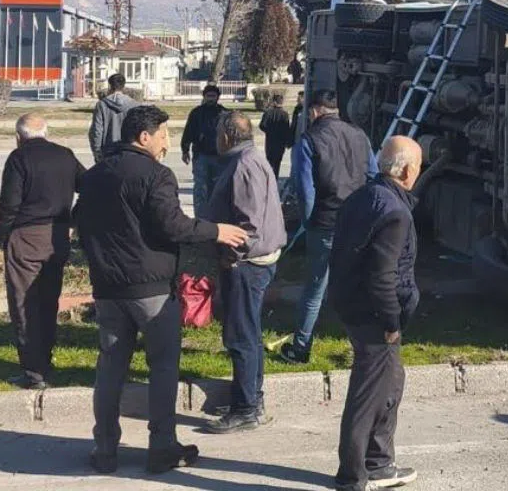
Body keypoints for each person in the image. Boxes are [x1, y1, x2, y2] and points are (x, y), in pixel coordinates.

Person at [76, 105, 248, 475]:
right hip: (151, 289)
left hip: (108, 288)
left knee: (110, 369)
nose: (168, 143)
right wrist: (216, 231)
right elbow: (174, 226)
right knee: (164, 366)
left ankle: (104, 449)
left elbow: (80, 225)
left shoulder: (94, 175)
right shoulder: (156, 175)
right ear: (144, 137)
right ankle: (162, 446)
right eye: (164, 135)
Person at [330, 136, 423, 491]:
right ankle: (353, 476)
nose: (418, 172)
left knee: (391, 383)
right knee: (368, 395)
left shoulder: (362, 197)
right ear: (406, 170)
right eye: (418, 166)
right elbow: (382, 276)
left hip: (354, 305)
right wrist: (391, 323)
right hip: (373, 317)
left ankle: (380, 464)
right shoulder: (395, 212)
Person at [201, 111, 287, 434]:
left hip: (246, 264)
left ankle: (246, 409)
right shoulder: (248, 159)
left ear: (226, 136)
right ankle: (249, 398)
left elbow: (249, 226)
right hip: (252, 262)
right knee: (248, 333)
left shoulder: (244, 165)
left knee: (241, 337)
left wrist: (231, 256)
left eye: (217, 135)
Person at [0, 113, 86, 390]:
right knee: (48, 301)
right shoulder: (65, 155)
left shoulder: (18, 158)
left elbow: (9, 205)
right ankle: (45, 361)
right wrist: (73, 219)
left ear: (18, 137)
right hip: (57, 236)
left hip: (27, 237)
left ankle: (34, 370)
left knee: (24, 304)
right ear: (46, 132)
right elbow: (90, 186)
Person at [281, 89, 378, 364]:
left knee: (315, 288)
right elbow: (373, 176)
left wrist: (307, 222)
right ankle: (364, 349)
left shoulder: (309, 140)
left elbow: (305, 189)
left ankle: (301, 347)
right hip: (357, 222)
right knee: (356, 286)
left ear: (314, 111)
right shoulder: (359, 135)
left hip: (325, 222)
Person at [181, 84, 228, 216]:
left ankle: (217, 216)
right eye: (208, 96)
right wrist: (185, 150)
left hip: (220, 156)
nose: (211, 99)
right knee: (201, 188)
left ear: (218, 97)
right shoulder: (196, 113)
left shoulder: (224, 113)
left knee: (218, 188)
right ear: (204, 97)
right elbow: (188, 132)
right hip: (201, 155)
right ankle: (200, 217)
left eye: (213, 96)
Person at [89, 73, 139, 163]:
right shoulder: (134, 105)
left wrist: (97, 152)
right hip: (129, 152)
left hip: (108, 152)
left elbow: (97, 131)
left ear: (110, 85)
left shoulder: (102, 105)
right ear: (123, 86)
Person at [259, 93, 293, 178]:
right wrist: (287, 141)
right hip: (280, 142)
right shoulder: (284, 114)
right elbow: (287, 129)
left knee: (269, 161)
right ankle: (275, 178)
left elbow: (262, 125)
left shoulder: (268, 113)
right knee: (277, 162)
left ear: (274, 102)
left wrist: (269, 131)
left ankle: (269, 178)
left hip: (270, 141)